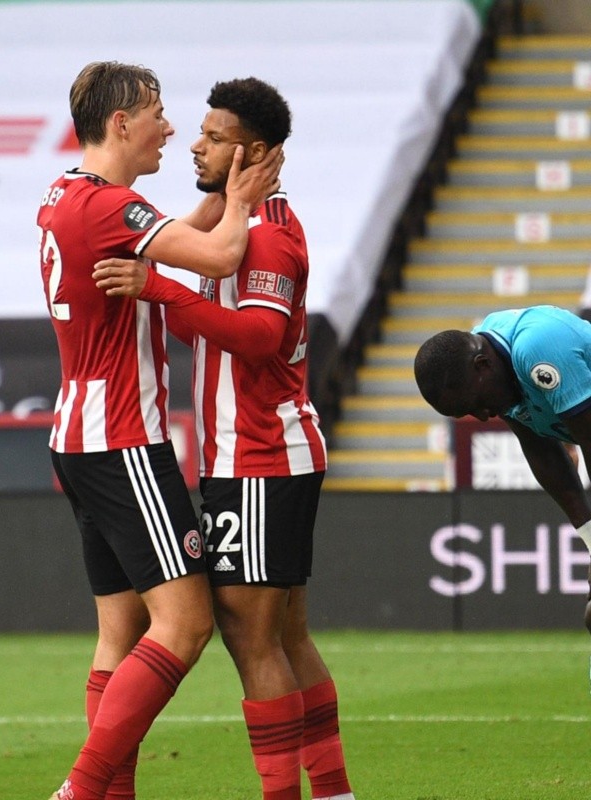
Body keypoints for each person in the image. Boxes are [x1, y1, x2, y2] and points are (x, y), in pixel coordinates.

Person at [93, 78, 355, 800]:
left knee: (252, 638)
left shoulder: (266, 235)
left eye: (214, 136)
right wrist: (175, 276)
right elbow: (199, 300)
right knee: (288, 636)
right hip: (248, 456)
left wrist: (160, 286)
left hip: (263, 456)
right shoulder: (231, 227)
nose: (196, 144)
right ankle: (333, 792)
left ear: (258, 151)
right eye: (200, 132)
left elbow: (262, 335)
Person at [36, 62, 282, 800]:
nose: (170, 129)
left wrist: (217, 202)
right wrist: (240, 200)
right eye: (157, 113)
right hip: (122, 440)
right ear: (121, 124)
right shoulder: (111, 206)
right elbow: (221, 254)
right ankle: (80, 790)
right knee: (185, 624)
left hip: (77, 438)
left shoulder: (66, 194)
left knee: (120, 635)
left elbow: (180, 235)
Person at [413, 305, 591, 633]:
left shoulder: (538, 348)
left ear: (483, 366)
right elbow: (540, 448)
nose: (483, 416)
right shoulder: (492, 361)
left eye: (477, 404)